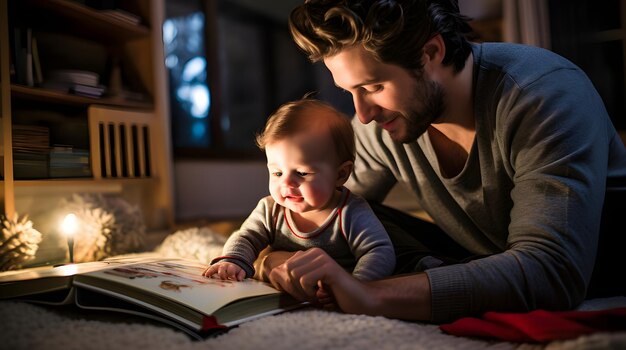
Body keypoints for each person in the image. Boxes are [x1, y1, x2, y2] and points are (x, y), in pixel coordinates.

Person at [254, 0, 626, 324]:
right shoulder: (380, 125)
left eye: (372, 87)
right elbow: (312, 211)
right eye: (349, 92)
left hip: (599, 267)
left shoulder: (543, 93)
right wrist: (273, 258)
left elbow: (553, 271)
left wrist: (371, 296)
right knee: (339, 209)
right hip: (476, 254)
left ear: (430, 53)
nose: (363, 115)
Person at [203, 98, 395, 297]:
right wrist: (233, 260)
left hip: (332, 290)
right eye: (277, 173)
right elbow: (246, 237)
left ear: (340, 175)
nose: (286, 184)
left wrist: (355, 286)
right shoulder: (270, 209)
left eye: (302, 173)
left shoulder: (351, 211)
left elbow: (379, 251)